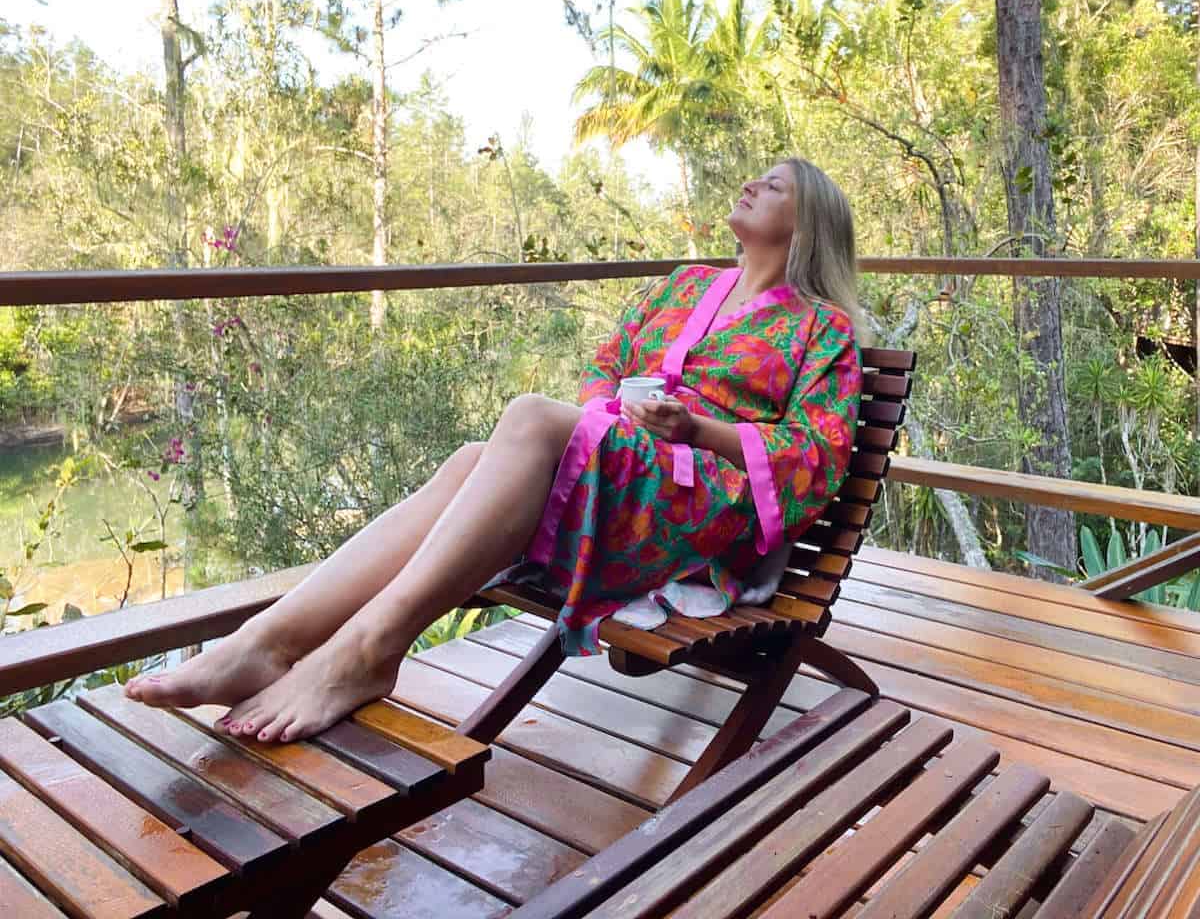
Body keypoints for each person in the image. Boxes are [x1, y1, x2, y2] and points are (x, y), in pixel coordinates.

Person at [124, 157, 863, 745]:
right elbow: (606, 368)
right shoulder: (683, 285)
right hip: (620, 473)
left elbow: (816, 455)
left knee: (533, 419)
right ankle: (267, 639)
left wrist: (693, 430)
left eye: (775, 185)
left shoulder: (819, 329)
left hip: (698, 509)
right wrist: (613, 411)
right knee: (472, 460)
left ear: (808, 225)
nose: (751, 184)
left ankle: (367, 650)